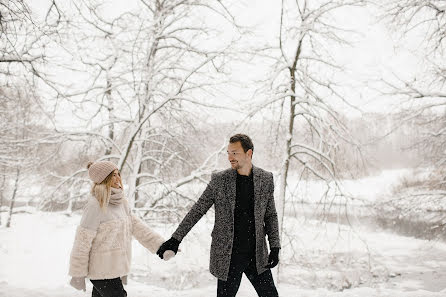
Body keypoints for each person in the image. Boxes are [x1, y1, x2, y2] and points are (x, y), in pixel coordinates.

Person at [156, 134, 281, 297]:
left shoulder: (265, 179)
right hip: (228, 257)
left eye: (234, 153)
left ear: (249, 153)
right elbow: (198, 209)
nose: (230, 157)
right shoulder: (220, 180)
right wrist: (175, 239)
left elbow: (270, 215)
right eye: (228, 153)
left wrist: (275, 246)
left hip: (256, 255)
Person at [69, 160, 174, 297]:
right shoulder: (95, 205)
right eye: (113, 175)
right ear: (104, 179)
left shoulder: (121, 202)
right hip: (102, 271)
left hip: (115, 269)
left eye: (118, 174)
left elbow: (138, 228)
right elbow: (82, 241)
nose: (118, 178)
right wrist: (78, 273)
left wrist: (161, 246)